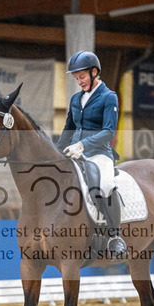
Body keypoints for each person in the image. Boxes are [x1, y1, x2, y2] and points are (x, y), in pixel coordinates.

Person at [55, 50, 127, 257]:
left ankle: (114, 237)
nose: (79, 82)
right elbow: (68, 129)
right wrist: (57, 151)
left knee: (105, 185)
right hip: (74, 152)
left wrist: (83, 145)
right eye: (76, 78)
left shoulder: (108, 97)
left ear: (94, 72)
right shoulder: (75, 99)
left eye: (82, 77)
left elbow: (108, 132)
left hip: (99, 153)